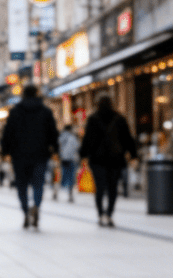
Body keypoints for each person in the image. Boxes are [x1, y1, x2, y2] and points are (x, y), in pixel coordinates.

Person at [1, 84, 58, 228]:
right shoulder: (46, 111)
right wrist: (55, 150)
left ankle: (26, 211)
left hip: (19, 156)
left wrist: (5, 151)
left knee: (22, 185)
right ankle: (36, 206)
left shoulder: (15, 112)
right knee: (38, 184)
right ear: (37, 93)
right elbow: (53, 133)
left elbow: (8, 134)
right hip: (40, 154)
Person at [80, 97, 137, 227]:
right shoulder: (119, 118)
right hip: (115, 159)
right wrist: (133, 155)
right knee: (112, 188)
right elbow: (128, 138)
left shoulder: (93, 119)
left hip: (97, 160)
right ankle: (109, 213)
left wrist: (83, 155)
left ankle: (101, 214)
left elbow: (87, 139)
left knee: (99, 188)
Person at [57, 124, 80, 203]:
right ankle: (70, 195)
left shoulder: (60, 137)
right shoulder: (72, 137)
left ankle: (55, 192)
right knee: (71, 177)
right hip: (71, 159)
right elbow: (77, 147)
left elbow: (58, 147)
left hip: (63, 159)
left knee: (62, 176)